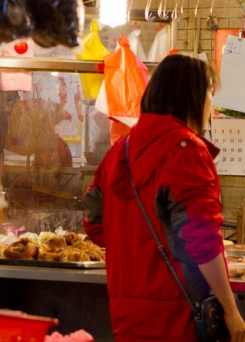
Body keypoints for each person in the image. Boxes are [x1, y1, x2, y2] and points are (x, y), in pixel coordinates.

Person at [82, 54, 245, 342]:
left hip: (127, 314)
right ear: (191, 97)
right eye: (209, 92)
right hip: (178, 315)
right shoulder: (187, 151)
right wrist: (231, 311)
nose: (210, 103)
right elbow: (202, 241)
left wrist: (138, 252)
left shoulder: (119, 152)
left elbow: (95, 227)